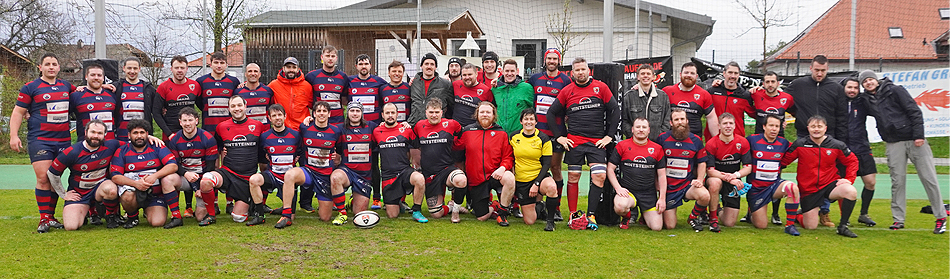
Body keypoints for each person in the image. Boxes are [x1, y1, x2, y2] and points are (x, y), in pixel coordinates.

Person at [860, 70, 947, 234]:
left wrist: (918, 135)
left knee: (929, 178)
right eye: (865, 81)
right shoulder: (866, 99)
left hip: (914, 140)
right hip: (893, 142)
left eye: (870, 79)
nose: (868, 82)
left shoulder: (895, 90)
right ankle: (898, 219)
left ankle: (941, 217)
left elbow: (913, 110)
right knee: (897, 181)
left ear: (876, 80)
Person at [546, 57, 620, 229]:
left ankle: (591, 216)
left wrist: (609, 136)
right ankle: (573, 215)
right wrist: (559, 137)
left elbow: (615, 110)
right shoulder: (567, 91)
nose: (580, 72)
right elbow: (551, 113)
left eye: (583, 69)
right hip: (575, 142)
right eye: (577, 70)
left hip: (596, 142)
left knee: (599, 176)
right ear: (572, 73)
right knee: (573, 176)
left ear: (589, 71)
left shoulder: (600, 87)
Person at [11, 53, 76, 232]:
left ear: (59, 67)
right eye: (47, 64)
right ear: (40, 67)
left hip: (63, 140)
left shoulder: (66, 86)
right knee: (43, 177)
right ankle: (44, 218)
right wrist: (13, 136)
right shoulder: (30, 87)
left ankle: (51, 216)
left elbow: (85, 93)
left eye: (54, 64)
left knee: (55, 177)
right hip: (40, 140)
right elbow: (17, 112)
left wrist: (108, 87)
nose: (51, 67)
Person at [780, 115, 859, 238]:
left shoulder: (836, 145)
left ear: (825, 128)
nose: (816, 129)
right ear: (808, 128)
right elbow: (784, 161)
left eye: (819, 126)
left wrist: (849, 179)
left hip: (829, 184)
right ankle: (798, 215)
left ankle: (843, 227)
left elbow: (852, 161)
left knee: (850, 191)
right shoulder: (800, 144)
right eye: (813, 126)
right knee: (811, 226)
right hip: (809, 189)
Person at [197, 95, 267, 226]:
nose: (237, 108)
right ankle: (211, 215)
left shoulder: (257, 126)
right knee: (206, 180)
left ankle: (251, 203)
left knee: (238, 218)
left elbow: (263, 149)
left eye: (239, 105)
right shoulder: (221, 127)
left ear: (245, 106)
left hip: (247, 177)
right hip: (227, 173)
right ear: (228, 109)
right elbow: (218, 147)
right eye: (233, 106)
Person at [275, 102, 342, 228]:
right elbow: (295, 142)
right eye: (318, 111)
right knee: (290, 175)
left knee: (325, 217)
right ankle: (287, 214)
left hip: (325, 176)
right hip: (309, 172)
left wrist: (338, 156)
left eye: (324, 111)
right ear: (314, 113)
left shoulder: (336, 131)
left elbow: (340, 150)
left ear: (329, 114)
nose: (321, 113)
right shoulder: (305, 128)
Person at [47, 120, 121, 231]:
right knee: (71, 227)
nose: (96, 136)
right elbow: (52, 173)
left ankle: (110, 216)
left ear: (105, 135)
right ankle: (89, 209)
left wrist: (149, 138)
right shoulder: (72, 152)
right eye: (93, 132)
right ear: (86, 132)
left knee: (111, 190)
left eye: (100, 133)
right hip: (79, 193)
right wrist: (63, 194)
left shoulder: (111, 145)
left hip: (99, 188)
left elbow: (132, 144)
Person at [110, 119, 181, 228]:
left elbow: (173, 165)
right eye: (135, 133)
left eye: (142, 133)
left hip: (155, 194)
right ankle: (132, 217)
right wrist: (136, 184)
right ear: (129, 135)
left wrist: (154, 176)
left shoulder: (157, 146)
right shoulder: (122, 151)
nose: (139, 136)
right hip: (133, 192)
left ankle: (149, 210)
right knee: (127, 196)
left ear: (147, 134)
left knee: (157, 222)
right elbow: (115, 176)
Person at [528, 48, 571, 221]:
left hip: (557, 132)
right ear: (545, 60)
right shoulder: (535, 78)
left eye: (555, 58)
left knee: (555, 168)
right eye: (549, 58)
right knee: (537, 168)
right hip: (537, 132)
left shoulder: (566, 80)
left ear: (558, 61)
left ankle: (556, 205)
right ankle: (536, 204)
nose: (551, 61)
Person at [455, 102, 515, 225]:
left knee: (509, 178)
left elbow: (508, 157)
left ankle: (503, 213)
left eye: (488, 112)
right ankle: (495, 205)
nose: (485, 115)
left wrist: (502, 168)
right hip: (476, 180)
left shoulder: (501, 134)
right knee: (481, 217)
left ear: (494, 115)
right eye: (482, 112)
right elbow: (456, 148)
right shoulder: (467, 132)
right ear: (477, 114)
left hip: (495, 175)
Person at [608, 117, 666, 231]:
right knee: (620, 207)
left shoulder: (657, 149)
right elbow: (610, 168)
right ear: (632, 130)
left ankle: (644, 217)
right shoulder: (622, 146)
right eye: (638, 127)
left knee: (657, 227)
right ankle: (626, 217)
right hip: (629, 191)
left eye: (644, 127)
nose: (641, 130)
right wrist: (618, 188)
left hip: (648, 193)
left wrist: (662, 198)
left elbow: (662, 175)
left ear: (649, 130)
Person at [373, 103, 429, 222]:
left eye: (393, 113)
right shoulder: (376, 132)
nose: (390, 115)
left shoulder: (405, 130)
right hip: (388, 175)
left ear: (397, 114)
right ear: (382, 115)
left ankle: (416, 211)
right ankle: (398, 201)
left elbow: (419, 145)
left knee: (419, 179)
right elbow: (370, 149)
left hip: (404, 171)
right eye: (387, 113)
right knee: (392, 215)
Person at [657, 109, 711, 231]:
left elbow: (702, 162)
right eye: (676, 119)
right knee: (670, 226)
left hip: (687, 185)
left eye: (682, 119)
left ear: (687, 121)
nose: (680, 122)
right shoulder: (662, 139)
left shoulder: (696, 140)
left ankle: (692, 217)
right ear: (671, 123)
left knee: (705, 196)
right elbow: (657, 165)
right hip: (669, 188)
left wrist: (699, 179)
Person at [746, 115, 801, 236]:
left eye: (777, 126)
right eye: (771, 125)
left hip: (774, 186)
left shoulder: (784, 143)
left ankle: (790, 225)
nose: (774, 129)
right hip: (757, 189)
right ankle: (752, 211)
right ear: (764, 126)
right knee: (761, 225)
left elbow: (800, 149)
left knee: (792, 188)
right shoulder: (752, 140)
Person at [413, 98, 467, 222]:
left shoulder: (452, 124)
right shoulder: (419, 126)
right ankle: (449, 206)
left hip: (446, 169)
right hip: (430, 173)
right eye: (431, 112)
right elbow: (414, 142)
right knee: (436, 214)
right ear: (426, 112)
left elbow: (461, 136)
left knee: (461, 179)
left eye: (437, 112)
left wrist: (454, 147)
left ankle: (456, 210)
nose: (434, 115)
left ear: (442, 112)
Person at [327, 102, 378, 225]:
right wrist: (309, 120)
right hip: (347, 171)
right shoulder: (340, 128)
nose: (355, 113)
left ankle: (351, 203)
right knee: (335, 177)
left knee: (358, 213)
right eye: (352, 111)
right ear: (347, 113)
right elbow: (323, 130)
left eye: (357, 111)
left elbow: (386, 130)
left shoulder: (372, 127)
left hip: (364, 175)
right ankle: (342, 214)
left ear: (362, 113)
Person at [509, 108, 560, 230]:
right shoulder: (514, 137)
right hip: (522, 180)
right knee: (529, 221)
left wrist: (536, 184)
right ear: (521, 121)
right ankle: (540, 206)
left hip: (539, 177)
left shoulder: (543, 138)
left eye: (532, 119)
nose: (529, 122)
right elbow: (510, 159)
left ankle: (550, 222)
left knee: (552, 188)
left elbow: (547, 164)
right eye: (526, 119)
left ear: (536, 122)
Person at [251, 104, 299, 224]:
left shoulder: (295, 135)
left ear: (285, 116)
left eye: (279, 115)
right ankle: (259, 214)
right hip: (273, 174)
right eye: (274, 115)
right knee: (254, 179)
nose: (277, 118)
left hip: (289, 178)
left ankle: (285, 207)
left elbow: (301, 152)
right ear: (269, 118)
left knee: (291, 217)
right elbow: (262, 155)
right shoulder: (264, 136)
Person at [166, 107, 218, 220]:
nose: (187, 123)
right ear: (180, 122)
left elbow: (210, 167)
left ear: (196, 121)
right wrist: (185, 173)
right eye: (184, 120)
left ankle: (210, 203)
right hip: (186, 178)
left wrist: (201, 187)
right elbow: (174, 164)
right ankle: (176, 215)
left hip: (203, 178)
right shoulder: (175, 140)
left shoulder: (208, 138)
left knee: (200, 217)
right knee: (168, 179)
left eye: (190, 120)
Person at [703, 113, 752, 232]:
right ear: (719, 126)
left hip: (734, 180)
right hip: (717, 177)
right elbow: (710, 171)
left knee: (729, 223)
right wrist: (729, 178)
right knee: (714, 183)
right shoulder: (711, 144)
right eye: (725, 123)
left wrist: (736, 176)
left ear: (735, 126)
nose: (728, 126)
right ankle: (713, 219)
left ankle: (718, 209)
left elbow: (748, 167)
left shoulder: (743, 142)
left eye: (731, 123)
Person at [840, 77, 878, 227]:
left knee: (870, 182)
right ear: (844, 88)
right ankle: (844, 217)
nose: (852, 90)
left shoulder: (863, 101)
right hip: (844, 149)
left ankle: (864, 214)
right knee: (843, 185)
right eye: (849, 87)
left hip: (862, 147)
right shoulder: (838, 102)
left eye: (855, 88)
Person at [378, 60, 411, 209]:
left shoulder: (408, 88)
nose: (397, 74)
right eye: (394, 71)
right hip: (387, 130)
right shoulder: (383, 89)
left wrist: (409, 122)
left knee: (405, 163)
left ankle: (402, 199)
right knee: (387, 164)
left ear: (403, 73)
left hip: (405, 131)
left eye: (399, 71)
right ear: (389, 73)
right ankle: (388, 197)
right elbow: (380, 108)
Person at [663, 62, 718, 138]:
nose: (689, 75)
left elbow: (711, 118)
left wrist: (717, 140)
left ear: (696, 76)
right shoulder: (667, 91)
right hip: (670, 139)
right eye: (686, 72)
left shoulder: (704, 94)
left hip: (694, 140)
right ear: (680, 74)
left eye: (692, 73)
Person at [154, 55, 200, 140]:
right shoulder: (163, 87)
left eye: (182, 68)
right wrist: (168, 133)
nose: (179, 70)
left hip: (190, 132)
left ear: (187, 69)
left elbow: (202, 106)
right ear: (171, 69)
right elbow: (156, 113)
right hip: (171, 133)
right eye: (176, 68)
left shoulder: (195, 86)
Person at [195, 52, 241, 137]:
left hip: (229, 128)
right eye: (216, 62)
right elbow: (199, 102)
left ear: (226, 65)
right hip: (208, 128)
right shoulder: (201, 81)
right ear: (210, 64)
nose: (219, 66)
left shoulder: (234, 81)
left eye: (222, 63)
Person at [704, 62, 754, 139]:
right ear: (724, 74)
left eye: (735, 73)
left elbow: (756, 114)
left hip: (735, 140)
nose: (733, 76)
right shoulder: (712, 92)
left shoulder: (745, 95)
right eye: (730, 72)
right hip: (713, 139)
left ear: (739, 75)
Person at [622, 64, 670, 141]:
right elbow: (624, 121)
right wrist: (634, 136)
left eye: (648, 74)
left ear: (653, 77)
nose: (645, 76)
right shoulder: (629, 97)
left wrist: (660, 136)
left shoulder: (662, 96)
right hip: (635, 142)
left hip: (657, 143)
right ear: (638, 77)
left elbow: (667, 120)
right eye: (642, 74)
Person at [71, 63, 119, 142]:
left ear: (103, 78)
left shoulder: (112, 94)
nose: (96, 78)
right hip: (87, 146)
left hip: (110, 146)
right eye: (93, 75)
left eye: (99, 75)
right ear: (86, 77)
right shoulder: (76, 96)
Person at [113, 57, 157, 142]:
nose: (132, 71)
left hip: (142, 137)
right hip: (121, 136)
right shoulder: (115, 87)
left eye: (135, 68)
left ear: (139, 69)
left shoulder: (148, 89)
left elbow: (159, 105)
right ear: (124, 68)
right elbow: (96, 90)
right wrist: (83, 87)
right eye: (129, 68)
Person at [306, 45, 349, 126]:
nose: (330, 58)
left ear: (336, 58)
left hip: (338, 121)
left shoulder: (343, 77)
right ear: (322, 57)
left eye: (333, 56)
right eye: (327, 56)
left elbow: (344, 99)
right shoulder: (311, 76)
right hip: (319, 122)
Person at [269, 57, 313, 132]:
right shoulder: (273, 85)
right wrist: (246, 84)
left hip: (302, 129)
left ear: (298, 69)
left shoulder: (307, 86)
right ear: (283, 68)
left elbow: (313, 106)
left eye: (294, 67)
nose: (291, 70)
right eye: (288, 67)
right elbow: (262, 92)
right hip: (282, 129)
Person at [408, 53, 452, 125]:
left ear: (435, 67)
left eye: (432, 64)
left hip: (436, 125)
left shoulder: (445, 84)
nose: (429, 66)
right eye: (426, 64)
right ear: (421, 66)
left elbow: (451, 106)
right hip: (415, 124)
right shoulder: (414, 83)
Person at [492, 59, 535, 135]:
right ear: (502, 71)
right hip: (499, 133)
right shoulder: (495, 89)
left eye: (512, 71)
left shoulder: (526, 88)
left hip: (519, 134)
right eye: (507, 71)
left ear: (517, 71)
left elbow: (534, 108)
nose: (509, 73)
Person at [751, 71, 793, 138]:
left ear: (778, 83)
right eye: (767, 82)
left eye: (773, 82)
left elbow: (795, 112)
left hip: (778, 138)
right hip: (759, 138)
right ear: (763, 84)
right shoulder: (756, 94)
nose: (770, 84)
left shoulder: (787, 98)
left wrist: (783, 121)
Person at [347, 54, 387, 124]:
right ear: (356, 66)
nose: (364, 66)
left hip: (375, 123)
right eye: (360, 64)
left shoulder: (379, 81)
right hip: (355, 123)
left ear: (370, 65)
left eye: (366, 64)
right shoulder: (349, 81)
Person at [451, 63, 493, 128]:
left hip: (474, 129)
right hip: (456, 128)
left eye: (470, 74)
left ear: (476, 74)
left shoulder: (485, 90)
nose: (467, 77)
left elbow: (493, 109)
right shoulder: (455, 85)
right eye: (464, 75)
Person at [236, 63, 274, 130]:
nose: (253, 73)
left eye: (255, 71)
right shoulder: (238, 92)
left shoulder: (268, 91)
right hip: (245, 131)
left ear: (260, 74)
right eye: (250, 71)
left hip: (264, 131)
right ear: (245, 74)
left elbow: (272, 110)